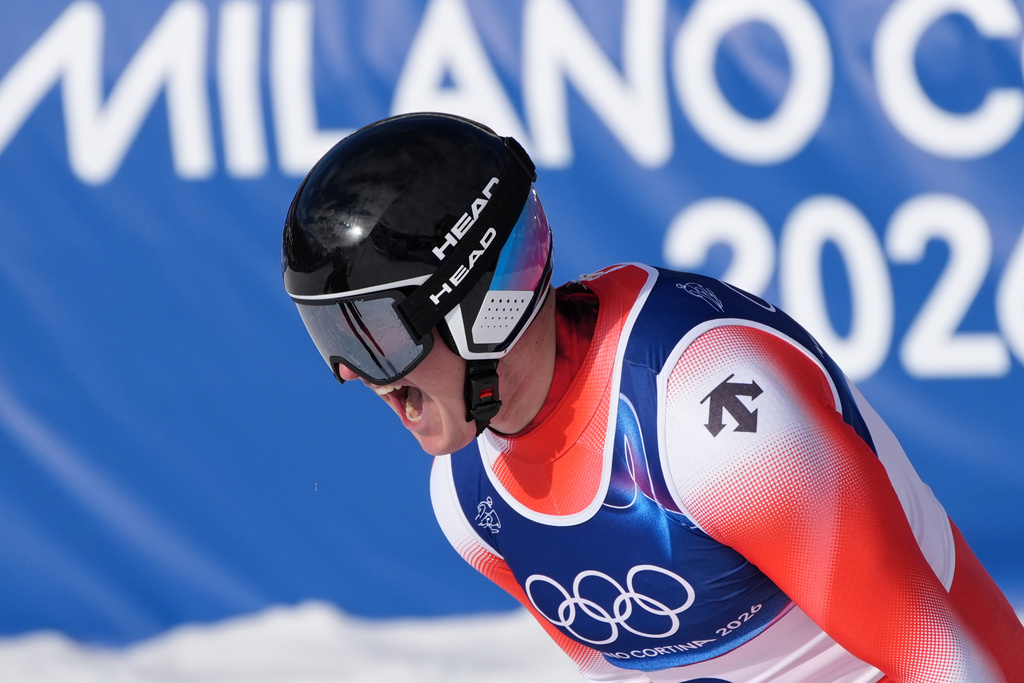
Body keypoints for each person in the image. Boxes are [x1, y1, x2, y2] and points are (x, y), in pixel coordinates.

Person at [281, 112, 1024, 683]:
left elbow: (949, 667)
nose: (353, 375)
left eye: (374, 334)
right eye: (331, 339)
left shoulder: (710, 420)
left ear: (479, 303)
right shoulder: (472, 503)